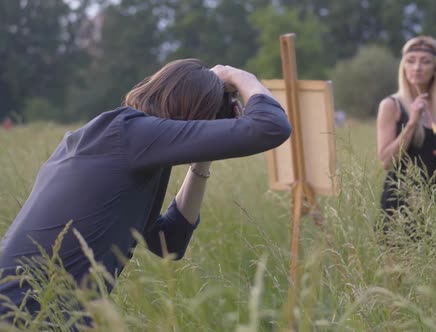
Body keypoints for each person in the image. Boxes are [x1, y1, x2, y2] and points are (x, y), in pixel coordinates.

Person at [0, 59, 291, 325]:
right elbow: (271, 126)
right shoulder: (130, 135)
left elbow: (168, 244)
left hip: (41, 311)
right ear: (194, 111)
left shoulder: (123, 142)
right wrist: (239, 76)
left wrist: (204, 158)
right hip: (25, 311)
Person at [376, 36, 436, 244]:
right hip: (400, 198)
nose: (417, 67)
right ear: (403, 66)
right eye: (411, 60)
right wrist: (412, 123)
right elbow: (386, 161)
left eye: (425, 61)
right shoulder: (391, 105)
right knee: (398, 273)